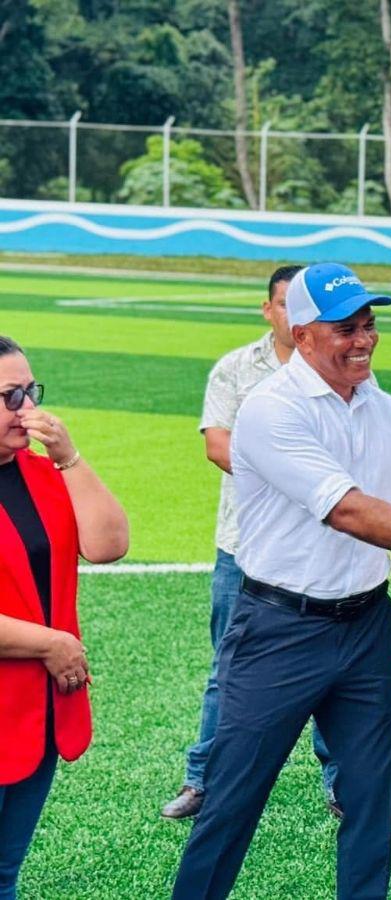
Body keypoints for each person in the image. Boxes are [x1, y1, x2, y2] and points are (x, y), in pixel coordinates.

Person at [171, 263, 391, 900]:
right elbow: (350, 510)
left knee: (370, 803)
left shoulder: (386, 412)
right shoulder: (269, 410)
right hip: (277, 628)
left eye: (369, 325)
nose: (363, 339)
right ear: (303, 333)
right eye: (346, 328)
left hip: (367, 627)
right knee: (231, 801)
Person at [162, 265, 340, 821]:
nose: (293, 315)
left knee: (333, 672)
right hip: (244, 548)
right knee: (228, 668)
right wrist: (295, 472)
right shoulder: (237, 369)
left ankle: (341, 781)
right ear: (268, 310)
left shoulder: (341, 369)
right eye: (283, 304)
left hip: (320, 545)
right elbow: (218, 446)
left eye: (301, 306)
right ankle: (203, 781)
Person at [0, 335, 129, 899]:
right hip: (23, 697)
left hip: (36, 714)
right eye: (10, 396)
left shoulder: (37, 472)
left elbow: (108, 544)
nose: (28, 409)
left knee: (4, 875)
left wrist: (69, 457)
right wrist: (52, 643)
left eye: (31, 391)